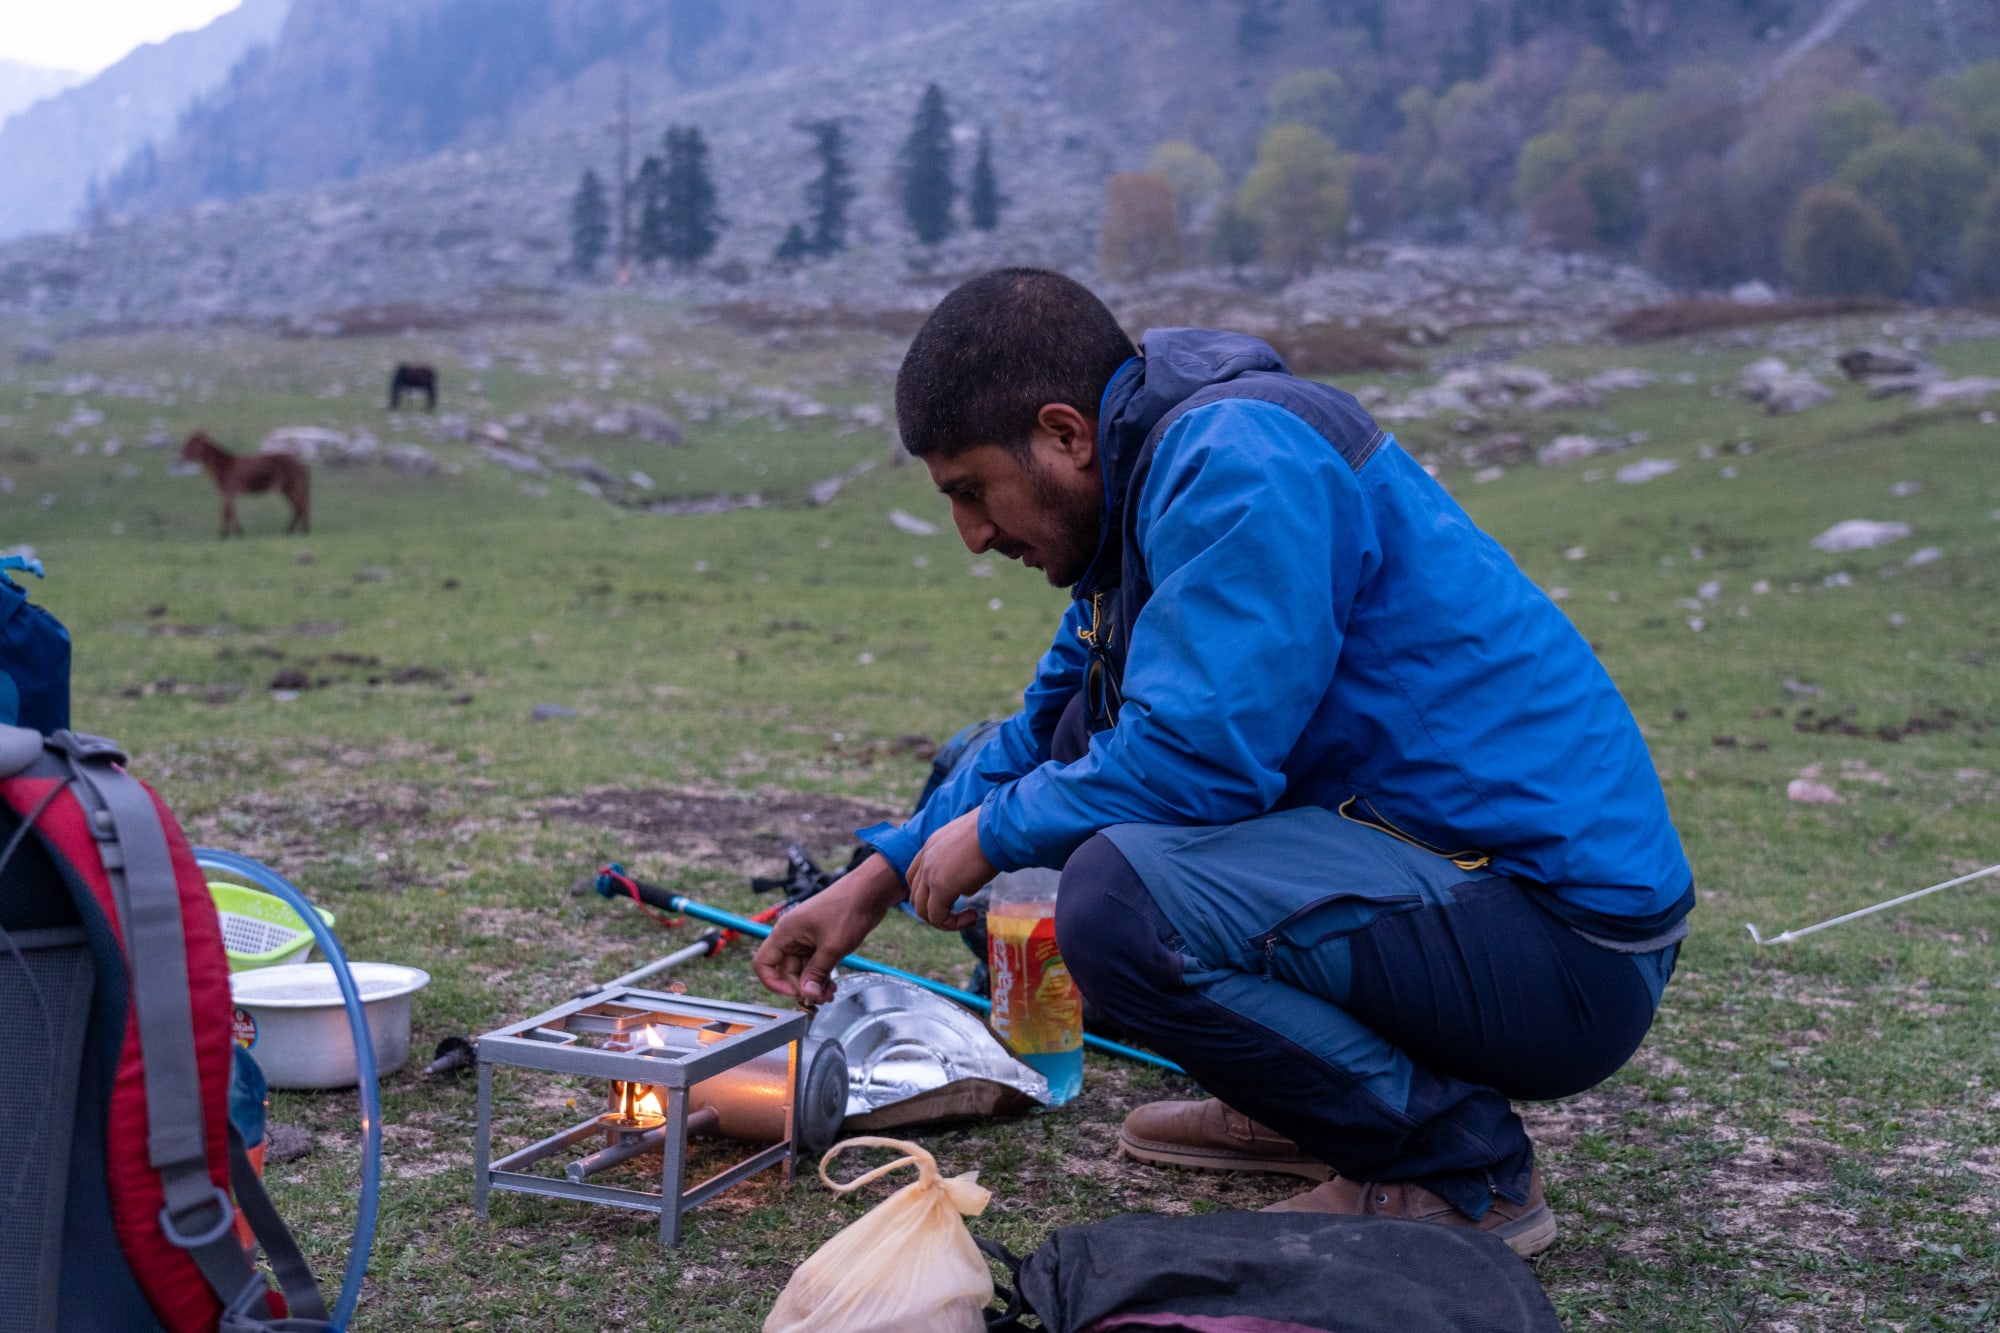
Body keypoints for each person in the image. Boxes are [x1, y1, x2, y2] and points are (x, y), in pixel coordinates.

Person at [752, 268, 1693, 1257]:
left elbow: (1199, 763)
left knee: (1120, 903)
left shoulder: (1237, 462)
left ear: (1065, 434)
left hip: (1563, 942)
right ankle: (1305, 1100)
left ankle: (1458, 1172)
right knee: (1013, 801)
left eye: (971, 491)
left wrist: (986, 835)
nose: (973, 535)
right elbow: (1047, 731)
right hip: (1450, 890)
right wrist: (881, 873)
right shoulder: (1146, 497)